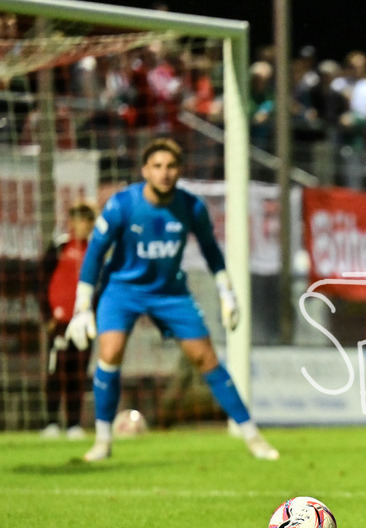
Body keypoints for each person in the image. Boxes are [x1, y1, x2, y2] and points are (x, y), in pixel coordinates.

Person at [66, 137, 279, 462]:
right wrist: (82, 308)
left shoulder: (191, 206)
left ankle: (253, 437)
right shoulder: (122, 204)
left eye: (171, 167)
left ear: (179, 171)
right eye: (157, 167)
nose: (164, 173)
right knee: (109, 354)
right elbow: (94, 255)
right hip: (122, 290)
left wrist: (227, 292)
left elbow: (211, 251)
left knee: (205, 358)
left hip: (170, 292)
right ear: (145, 171)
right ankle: (102, 441)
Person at [39, 201, 97, 440]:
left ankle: (74, 424)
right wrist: (47, 316)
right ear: (71, 221)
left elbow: (101, 284)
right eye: (78, 218)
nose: (82, 224)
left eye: (87, 219)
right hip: (60, 321)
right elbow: (41, 281)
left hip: (83, 322)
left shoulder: (95, 250)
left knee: (78, 373)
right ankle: (51, 423)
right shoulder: (59, 247)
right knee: (57, 370)